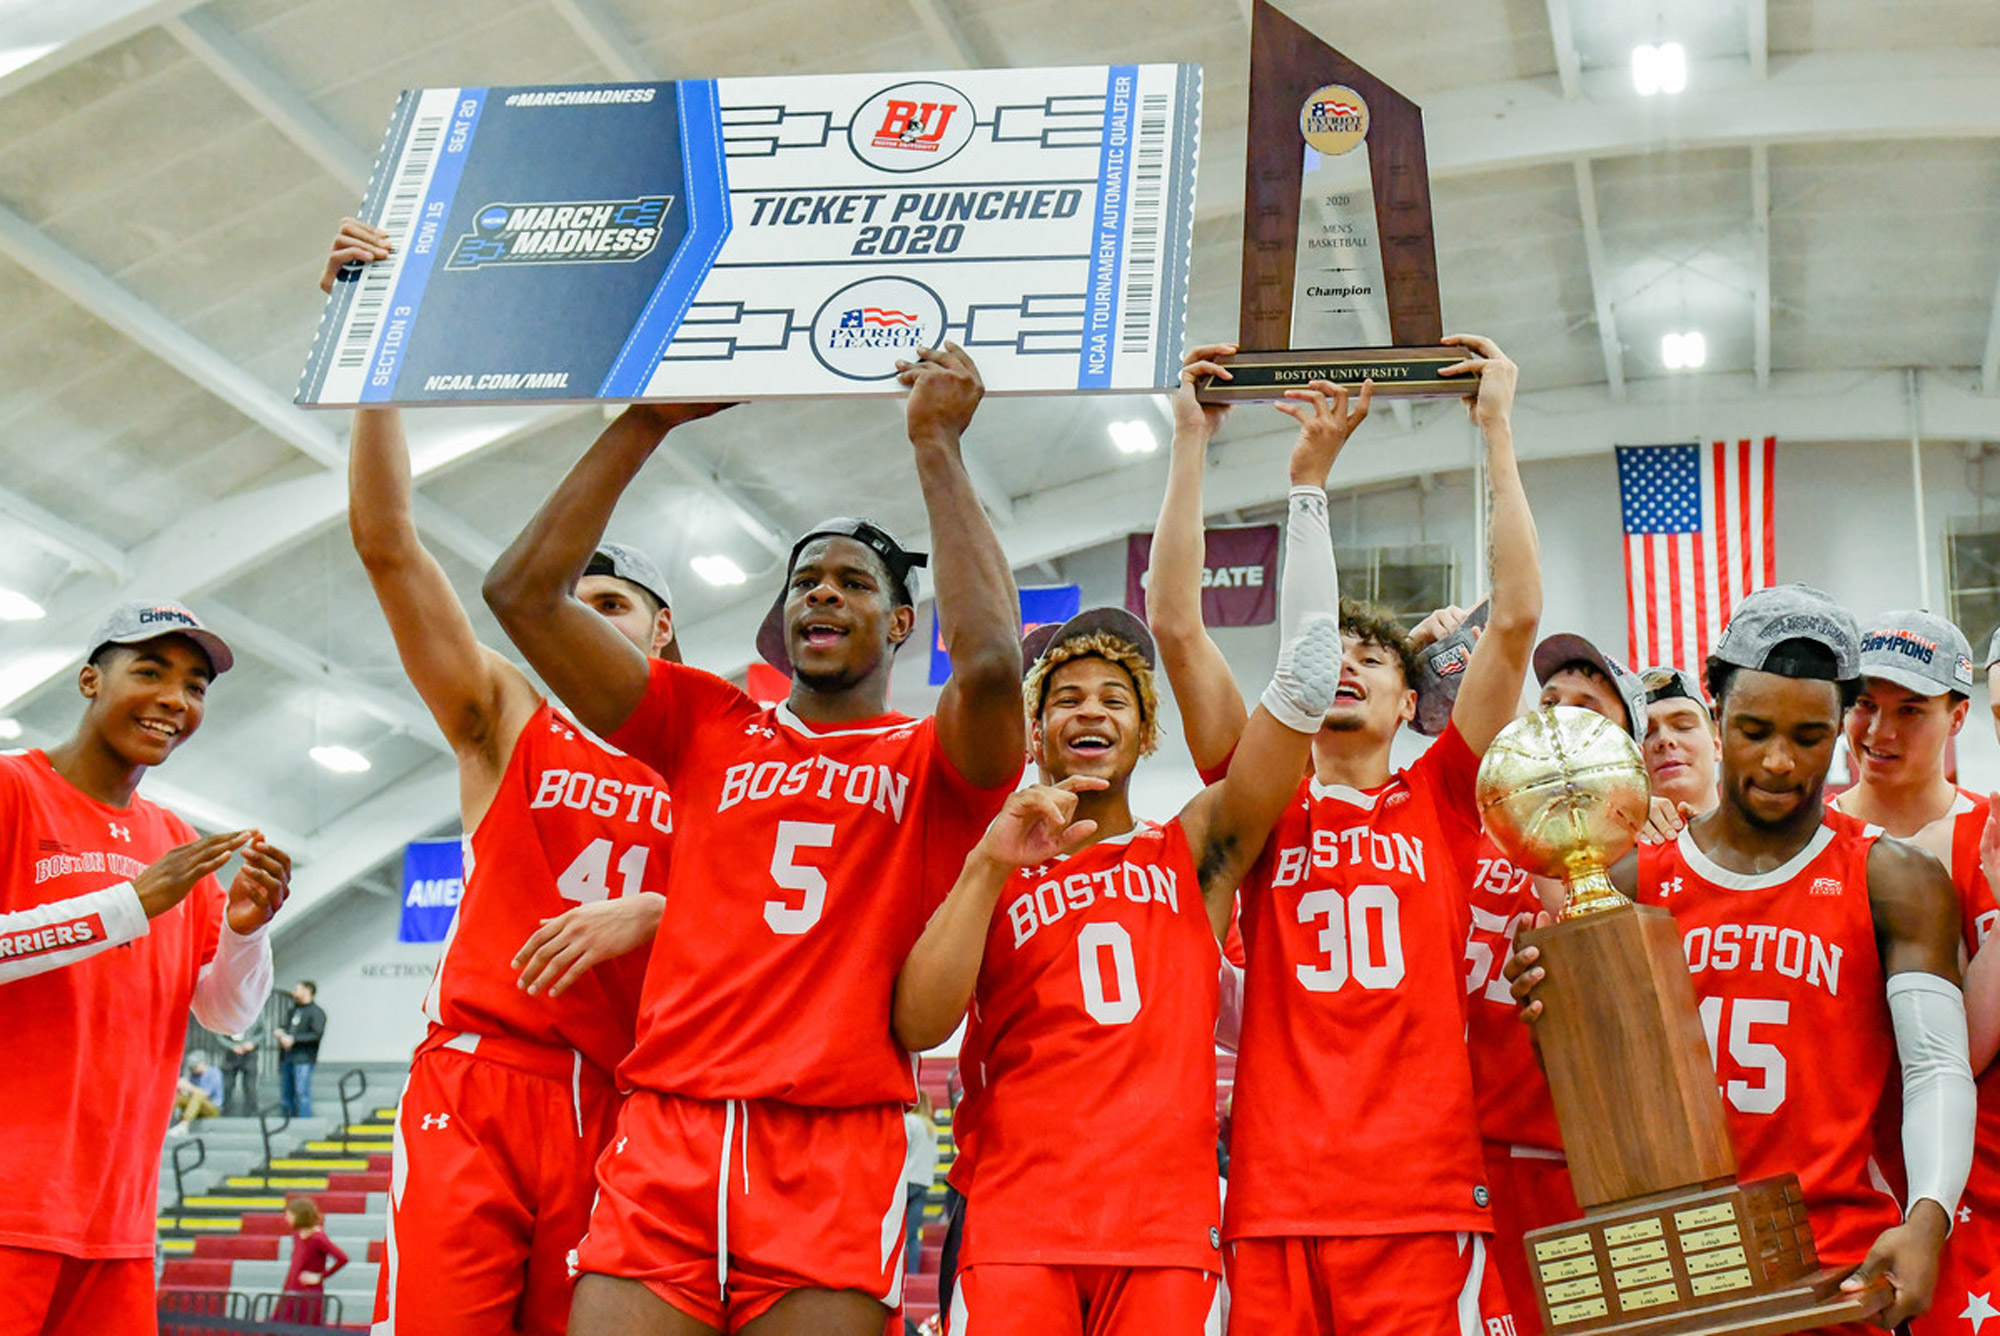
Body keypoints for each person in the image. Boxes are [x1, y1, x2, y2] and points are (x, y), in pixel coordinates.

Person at [484, 338, 1026, 1335]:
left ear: (903, 622)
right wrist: (643, 422)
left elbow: (992, 664)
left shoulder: (932, 764)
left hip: (830, 1147)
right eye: (805, 579)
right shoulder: (703, 721)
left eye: (853, 581)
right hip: (667, 1134)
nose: (821, 590)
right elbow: (520, 593)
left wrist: (937, 446)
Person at [901, 368, 1350, 1333]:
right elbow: (916, 1019)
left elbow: (1303, 683)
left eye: (1115, 699)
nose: (1090, 710)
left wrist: (1222, 452)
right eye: (1066, 698)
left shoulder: (1191, 850)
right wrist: (986, 866)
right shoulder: (991, 859)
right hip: (1017, 1218)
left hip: (1165, 1227)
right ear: (1037, 733)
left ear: (1146, 735)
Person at [324, 219, 678, 1336]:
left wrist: (660, 909)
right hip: (484, 1077)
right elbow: (388, 543)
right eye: (572, 604)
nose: (584, 620)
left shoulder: (717, 747)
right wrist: (372, 351)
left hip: (626, 1098)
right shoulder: (507, 715)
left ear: (664, 632)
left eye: (611, 605)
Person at [1149, 335, 1536, 1335]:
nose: (1350, 668)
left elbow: (1515, 621)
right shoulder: (1259, 799)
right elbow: (1176, 627)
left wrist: (1494, 427)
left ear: (1414, 699)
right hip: (1275, 1202)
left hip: (1422, 1196)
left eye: (1377, 657)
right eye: (1341, 651)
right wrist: (1189, 441)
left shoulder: (1447, 796)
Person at [1510, 584, 1976, 1331]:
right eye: (1755, 729)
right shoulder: (1629, 879)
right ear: (1716, 710)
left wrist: (1928, 1216)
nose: (1782, 761)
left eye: (1810, 735)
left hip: (1836, 1272)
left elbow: (1936, 1068)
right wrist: (1549, 1013)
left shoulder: (1896, 879)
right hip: (1677, 1276)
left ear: (1844, 726)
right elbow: (1601, 1095)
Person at [0, 600, 291, 1334]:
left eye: (195, 686)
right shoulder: (13, 790)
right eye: (152, 671)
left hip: (118, 1225)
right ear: (91, 680)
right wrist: (128, 904)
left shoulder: (172, 838)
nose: (175, 699)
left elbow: (225, 1013)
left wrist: (244, 934)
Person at [1461, 630, 1642, 1333]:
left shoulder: (1641, 855)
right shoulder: (1465, 829)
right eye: (1548, 702)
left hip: (1572, 1166)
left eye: (1587, 709)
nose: (1558, 720)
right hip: (1457, 1161)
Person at [1826, 612, 1996, 1336]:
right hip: (1834, 1181)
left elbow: (1962, 1051)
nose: (1879, 731)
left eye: (1910, 711)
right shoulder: (1804, 840)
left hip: (1969, 1195)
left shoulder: (1984, 837)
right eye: (1865, 703)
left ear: (1960, 718)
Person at [1639, 665, 1720, 818]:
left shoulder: (1767, 837)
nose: (1664, 739)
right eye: (1646, 733)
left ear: (1717, 744)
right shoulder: (1603, 840)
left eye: (1684, 726)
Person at [276, 1197, 350, 1325]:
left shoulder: (317, 1238)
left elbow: (342, 1258)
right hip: (291, 1289)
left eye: (289, 1215)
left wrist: (321, 1276)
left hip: (308, 1294)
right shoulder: (297, 1236)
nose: (286, 1218)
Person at [903, 1093, 940, 1277]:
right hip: (924, 1181)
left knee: (897, 1232)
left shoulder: (910, 1121)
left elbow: (902, 1147)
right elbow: (936, 1158)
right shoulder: (932, 1127)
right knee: (913, 1234)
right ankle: (913, 1272)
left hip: (907, 1179)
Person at [277, 979, 325, 1117]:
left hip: (303, 1058)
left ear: (307, 991)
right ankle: (286, 1120)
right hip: (287, 1057)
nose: (294, 992)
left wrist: (294, 1039)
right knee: (286, 1093)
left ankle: (303, 1122)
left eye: (298, 989)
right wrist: (281, 1033)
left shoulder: (317, 1012)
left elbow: (316, 1034)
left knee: (302, 1092)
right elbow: (286, 1027)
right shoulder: (293, 1011)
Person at [169, 1052, 225, 1135]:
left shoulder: (214, 1073)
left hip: (213, 1108)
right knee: (179, 1097)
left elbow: (204, 1094)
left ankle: (184, 1124)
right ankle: (168, 1121)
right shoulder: (194, 1075)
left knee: (197, 1096)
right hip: (196, 1107)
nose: (193, 1069)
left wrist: (188, 1086)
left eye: (195, 1066)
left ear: (203, 1063)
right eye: (191, 1067)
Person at [218, 1024, 261, 1116]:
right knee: (227, 1085)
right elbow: (217, 1033)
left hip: (249, 1054)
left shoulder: (256, 1012)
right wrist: (230, 1046)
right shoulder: (225, 1012)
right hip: (231, 1054)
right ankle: (225, 1112)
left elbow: (262, 1032)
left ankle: (251, 1113)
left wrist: (252, 1042)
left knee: (250, 1085)